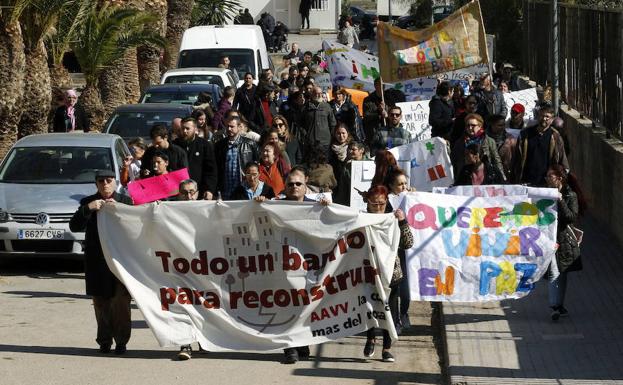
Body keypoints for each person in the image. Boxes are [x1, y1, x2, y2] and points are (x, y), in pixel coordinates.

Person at [69, 170, 133, 355]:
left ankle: (121, 341)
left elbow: (137, 226)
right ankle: (104, 341)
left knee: (121, 301)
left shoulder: (125, 201)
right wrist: (88, 208)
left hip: (121, 259)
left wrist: (121, 210)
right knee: (101, 301)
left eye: (109, 180)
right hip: (97, 260)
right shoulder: (88, 202)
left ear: (115, 182)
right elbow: (74, 226)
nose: (105, 184)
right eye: (101, 181)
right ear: (96, 184)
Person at [362, 185, 413, 363]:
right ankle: (370, 337)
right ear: (367, 203)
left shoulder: (394, 219)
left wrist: (403, 222)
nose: (377, 208)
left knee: (389, 311)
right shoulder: (360, 219)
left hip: (391, 275)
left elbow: (408, 243)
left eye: (381, 204)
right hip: (367, 273)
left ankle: (387, 347)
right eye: (374, 204)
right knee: (368, 308)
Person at [546, 165, 585, 321]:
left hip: (564, 240)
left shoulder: (570, 195)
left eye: (550, 176)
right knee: (554, 272)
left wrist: (560, 201)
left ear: (559, 179)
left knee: (561, 274)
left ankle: (558, 305)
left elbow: (570, 217)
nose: (547, 179)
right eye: (547, 177)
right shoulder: (547, 194)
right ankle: (555, 306)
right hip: (550, 239)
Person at [386, 169, 415, 331]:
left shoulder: (411, 198)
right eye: (400, 184)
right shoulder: (386, 202)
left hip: (409, 249)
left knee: (406, 288)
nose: (404, 187)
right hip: (394, 250)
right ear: (391, 186)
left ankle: (404, 313)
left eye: (405, 183)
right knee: (396, 287)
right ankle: (396, 319)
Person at [511, 106, 569, 186]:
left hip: (547, 181)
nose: (544, 118)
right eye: (542, 115)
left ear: (552, 119)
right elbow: (517, 157)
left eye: (547, 117)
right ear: (538, 116)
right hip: (527, 180)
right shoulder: (525, 134)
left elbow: (562, 158)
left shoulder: (555, 136)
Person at [214, 116, 260, 200]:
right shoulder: (219, 146)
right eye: (227, 126)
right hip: (225, 191)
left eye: (232, 126)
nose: (229, 129)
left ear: (239, 127)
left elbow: (257, 165)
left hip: (244, 190)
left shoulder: (250, 144)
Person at [173, 117, 218, 199]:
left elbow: (211, 170)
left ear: (195, 128)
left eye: (187, 128)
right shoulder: (175, 146)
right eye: (183, 128)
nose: (184, 131)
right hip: (179, 194)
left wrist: (209, 189)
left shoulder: (204, 145)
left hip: (199, 193)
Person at [450, 113, 505, 180]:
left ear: (480, 126)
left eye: (473, 125)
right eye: (468, 125)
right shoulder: (459, 143)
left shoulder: (489, 141)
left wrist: (502, 178)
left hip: (485, 178)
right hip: (465, 179)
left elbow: (497, 161)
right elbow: (454, 162)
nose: (470, 128)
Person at [363, 78, 406, 146]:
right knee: (377, 152)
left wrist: (386, 113)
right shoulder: (368, 100)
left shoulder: (389, 97)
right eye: (379, 85)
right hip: (375, 132)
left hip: (388, 132)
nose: (381, 87)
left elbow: (394, 112)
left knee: (389, 149)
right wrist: (379, 113)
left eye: (383, 85)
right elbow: (366, 116)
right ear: (375, 86)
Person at [302, 86, 337, 155]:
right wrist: (305, 134)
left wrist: (331, 137)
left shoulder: (327, 106)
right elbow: (301, 123)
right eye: (316, 93)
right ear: (311, 94)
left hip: (325, 142)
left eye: (320, 93)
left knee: (324, 162)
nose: (318, 95)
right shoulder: (305, 107)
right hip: (311, 142)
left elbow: (332, 123)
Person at [333, 141, 367, 206]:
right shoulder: (347, 167)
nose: (350, 151)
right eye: (349, 149)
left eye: (353, 149)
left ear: (361, 150)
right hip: (352, 202)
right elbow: (343, 189)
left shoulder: (371, 165)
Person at [487, 114, 516, 180]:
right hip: (488, 173)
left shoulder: (510, 138)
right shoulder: (483, 138)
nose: (503, 127)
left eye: (504, 125)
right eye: (500, 125)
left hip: (505, 175)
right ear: (492, 125)